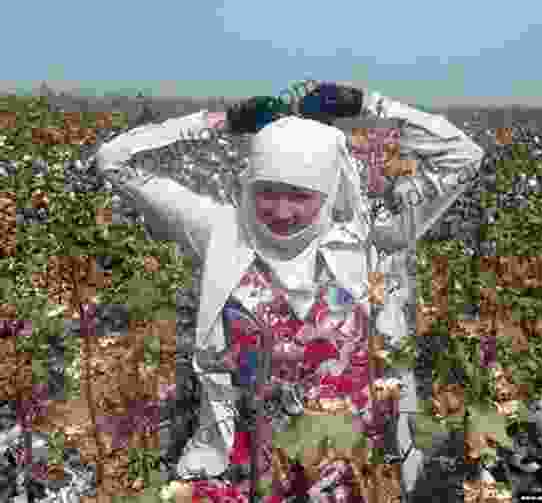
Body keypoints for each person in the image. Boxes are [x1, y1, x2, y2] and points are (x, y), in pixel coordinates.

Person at [95, 81, 484, 497]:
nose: (282, 212)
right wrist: (220, 122)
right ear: (249, 187)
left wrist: (370, 106)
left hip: (347, 458)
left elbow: (464, 157)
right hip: (245, 460)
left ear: (328, 191)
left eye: (300, 196)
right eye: (267, 193)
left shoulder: (367, 234)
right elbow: (114, 160)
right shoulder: (218, 231)